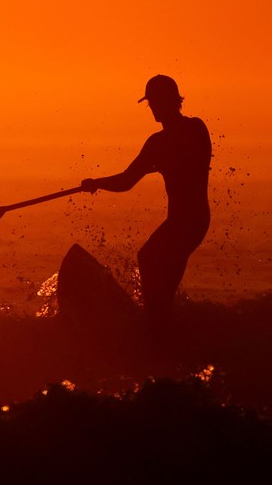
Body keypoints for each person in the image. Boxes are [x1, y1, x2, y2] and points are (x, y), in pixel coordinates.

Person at [80, 75, 211, 353]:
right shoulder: (157, 143)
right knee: (151, 262)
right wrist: (98, 183)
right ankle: (159, 324)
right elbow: (127, 181)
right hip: (180, 221)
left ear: (172, 101)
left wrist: (163, 161)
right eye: (150, 103)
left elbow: (195, 160)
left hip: (192, 220)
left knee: (151, 260)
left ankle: (159, 332)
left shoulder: (194, 129)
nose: (152, 108)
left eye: (156, 102)